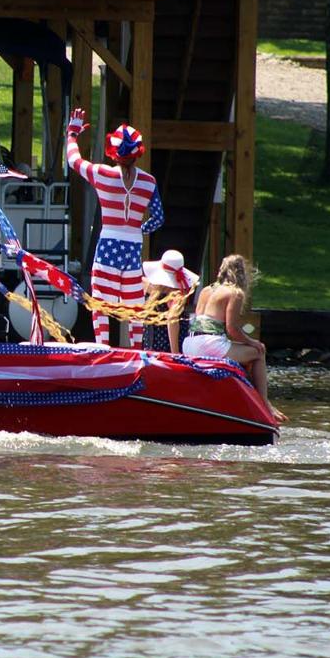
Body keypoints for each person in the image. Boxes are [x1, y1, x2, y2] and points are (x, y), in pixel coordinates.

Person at [65, 107, 163, 348]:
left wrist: (72, 133)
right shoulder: (149, 182)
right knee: (134, 303)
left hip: (108, 245)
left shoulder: (103, 175)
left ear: (113, 153)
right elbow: (159, 218)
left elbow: (73, 160)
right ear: (137, 154)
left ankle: (103, 348)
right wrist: (140, 230)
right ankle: (137, 351)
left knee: (101, 302)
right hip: (132, 248)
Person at [182, 254, 287, 423]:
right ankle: (265, 404)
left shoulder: (207, 290)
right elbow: (232, 329)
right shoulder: (234, 292)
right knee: (258, 352)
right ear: (241, 274)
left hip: (189, 343)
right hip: (209, 343)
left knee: (244, 354)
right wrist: (253, 342)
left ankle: (245, 399)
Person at [141, 249, 199, 354]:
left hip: (148, 346)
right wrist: (175, 353)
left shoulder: (149, 287)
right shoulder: (176, 294)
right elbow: (172, 320)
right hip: (167, 349)